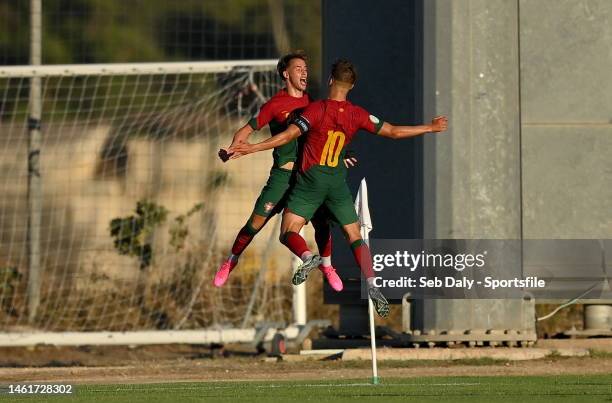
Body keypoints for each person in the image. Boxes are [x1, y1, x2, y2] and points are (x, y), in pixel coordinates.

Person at [228, 59, 448, 317]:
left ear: (331, 80)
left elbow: (287, 136)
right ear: (352, 85)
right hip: (337, 184)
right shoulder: (357, 114)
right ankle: (373, 283)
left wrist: (252, 148)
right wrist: (430, 127)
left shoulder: (316, 110)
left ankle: (309, 256)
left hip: (310, 182)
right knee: (355, 236)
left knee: (288, 231)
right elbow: (393, 132)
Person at [214, 51, 347, 292]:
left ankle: (326, 266)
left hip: (308, 177)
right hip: (282, 178)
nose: (304, 71)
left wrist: (341, 158)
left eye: (306, 68)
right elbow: (247, 130)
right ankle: (231, 261)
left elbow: (325, 137)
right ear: (286, 74)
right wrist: (234, 147)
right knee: (254, 225)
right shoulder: (275, 105)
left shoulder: (314, 104)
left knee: (322, 222)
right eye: (298, 68)